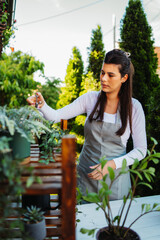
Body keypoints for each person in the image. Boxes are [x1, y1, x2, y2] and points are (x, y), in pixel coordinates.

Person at [27, 49, 147, 201]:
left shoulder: (134, 108)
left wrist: (112, 164)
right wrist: (41, 104)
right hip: (85, 177)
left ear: (124, 78)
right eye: (102, 72)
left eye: (111, 75)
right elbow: (56, 116)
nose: (103, 78)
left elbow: (141, 150)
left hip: (116, 181)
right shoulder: (90, 99)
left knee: (113, 223)